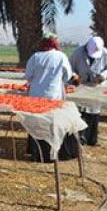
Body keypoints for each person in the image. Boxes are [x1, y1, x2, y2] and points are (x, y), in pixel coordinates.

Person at [24, 34, 78, 162]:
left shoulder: (35, 57)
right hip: (54, 95)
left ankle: (37, 153)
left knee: (37, 123)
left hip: (36, 96)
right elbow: (67, 75)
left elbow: (28, 76)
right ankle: (53, 153)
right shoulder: (60, 56)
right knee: (53, 124)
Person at [69, 36, 107, 146]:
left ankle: (91, 139)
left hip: (96, 86)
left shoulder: (105, 53)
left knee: (93, 112)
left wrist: (102, 76)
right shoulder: (77, 52)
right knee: (80, 112)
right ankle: (79, 138)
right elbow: (69, 67)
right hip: (81, 85)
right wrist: (74, 76)